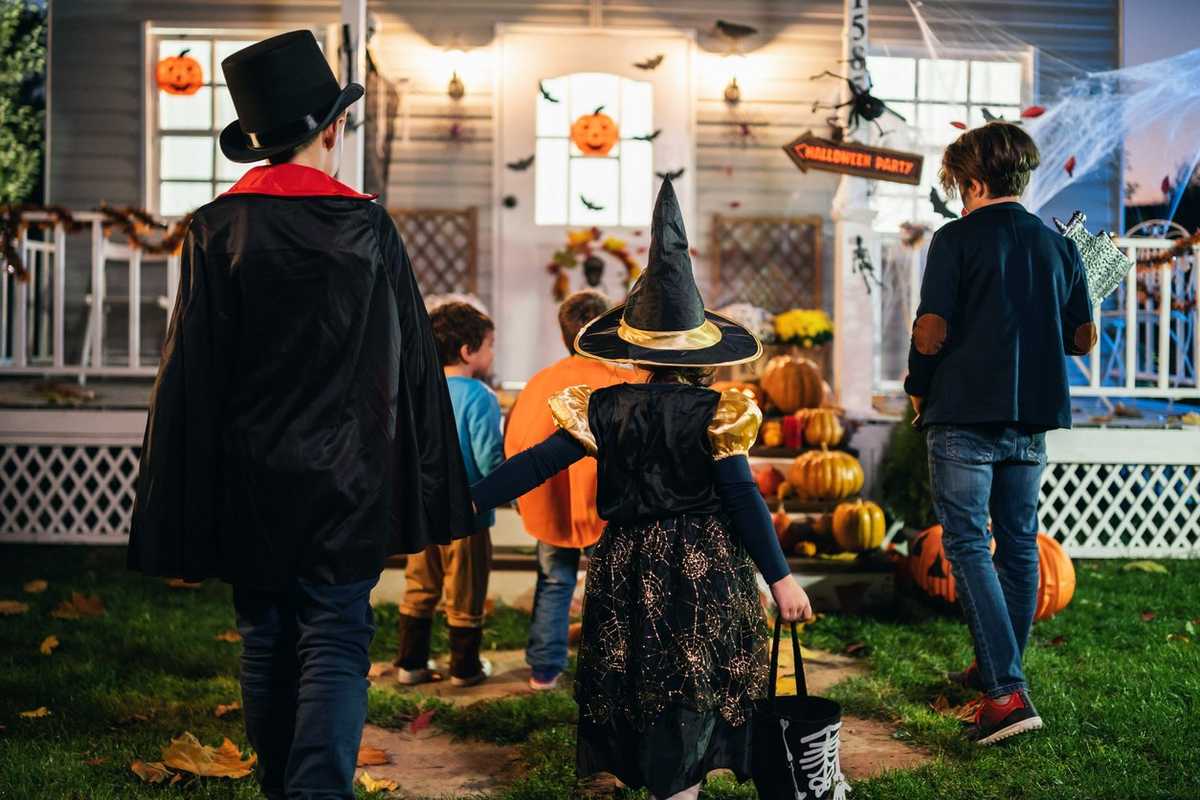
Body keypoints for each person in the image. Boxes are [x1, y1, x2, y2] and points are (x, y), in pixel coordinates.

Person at [127, 31, 474, 800]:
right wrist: (418, 467)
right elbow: (413, 359)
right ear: (333, 129)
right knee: (336, 635)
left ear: (261, 141)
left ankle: (282, 787)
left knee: (265, 633)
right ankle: (316, 790)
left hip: (251, 470)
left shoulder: (217, 229)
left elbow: (195, 365)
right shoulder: (367, 228)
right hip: (350, 473)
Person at [473, 179, 812, 800]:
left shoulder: (602, 408)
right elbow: (742, 498)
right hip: (704, 564)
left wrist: (469, 500)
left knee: (641, 678)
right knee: (693, 676)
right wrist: (781, 576)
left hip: (628, 563)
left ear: (634, 346)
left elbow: (534, 463)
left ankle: (664, 780)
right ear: (701, 349)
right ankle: (680, 787)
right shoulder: (718, 410)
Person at [905, 121, 1096, 746]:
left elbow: (932, 327)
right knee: (1017, 546)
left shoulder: (955, 239)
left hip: (963, 410)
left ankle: (1006, 695)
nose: (960, 196)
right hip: (1033, 415)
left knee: (965, 544)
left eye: (961, 185)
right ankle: (997, 669)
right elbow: (1080, 339)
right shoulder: (1061, 247)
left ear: (977, 183)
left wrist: (916, 385)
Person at [503, 290, 640, 691]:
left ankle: (544, 669)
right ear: (611, 331)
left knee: (554, 581)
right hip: (607, 504)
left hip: (550, 504)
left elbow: (516, 442)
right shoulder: (625, 380)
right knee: (615, 586)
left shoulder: (541, 382)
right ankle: (614, 668)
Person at [395, 301, 503, 687]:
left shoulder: (419, 390)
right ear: (467, 351)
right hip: (467, 513)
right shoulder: (479, 397)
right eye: (490, 345)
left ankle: (410, 663)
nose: (493, 354)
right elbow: (488, 455)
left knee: (420, 584)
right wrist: (506, 489)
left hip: (423, 509)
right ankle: (464, 667)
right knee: (466, 589)